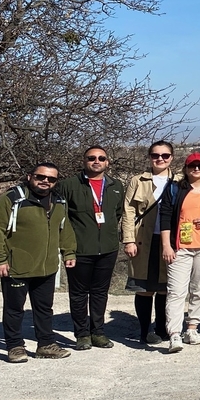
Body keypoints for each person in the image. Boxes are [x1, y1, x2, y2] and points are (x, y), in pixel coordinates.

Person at [0, 163, 77, 362]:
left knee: (44, 308)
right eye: (41, 177)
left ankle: (46, 345)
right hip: (16, 265)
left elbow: (65, 228)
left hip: (47, 266)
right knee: (14, 308)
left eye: (51, 179)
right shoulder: (12, 199)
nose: (45, 181)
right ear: (30, 177)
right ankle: (15, 347)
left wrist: (69, 252)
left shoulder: (59, 201)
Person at [57, 146, 125, 350]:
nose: (97, 161)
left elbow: (117, 214)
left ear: (107, 162)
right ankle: (82, 334)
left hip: (108, 248)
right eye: (91, 158)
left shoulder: (116, 185)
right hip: (79, 249)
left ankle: (98, 332)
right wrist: (67, 248)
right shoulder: (68, 185)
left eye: (101, 158)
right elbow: (62, 218)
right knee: (78, 293)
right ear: (84, 161)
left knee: (100, 292)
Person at [157, 152, 200, 353]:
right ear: (185, 169)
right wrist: (166, 246)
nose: (196, 169)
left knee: (199, 289)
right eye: (192, 166)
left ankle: (192, 328)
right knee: (177, 291)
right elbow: (166, 217)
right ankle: (174, 333)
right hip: (180, 248)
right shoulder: (175, 189)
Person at [121, 141, 176, 345]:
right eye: (155, 155)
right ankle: (145, 331)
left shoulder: (178, 182)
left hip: (168, 241)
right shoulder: (138, 181)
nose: (160, 159)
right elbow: (128, 211)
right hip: (142, 240)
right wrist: (128, 240)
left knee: (164, 286)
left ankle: (162, 329)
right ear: (149, 157)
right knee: (144, 287)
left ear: (171, 157)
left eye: (165, 155)